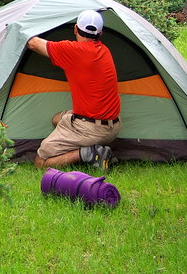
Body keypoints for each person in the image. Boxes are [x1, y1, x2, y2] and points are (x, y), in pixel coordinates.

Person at [26, 10, 120, 171]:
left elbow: (32, 43)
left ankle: (88, 153)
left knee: (40, 162)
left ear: (76, 29)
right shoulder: (104, 50)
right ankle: (97, 150)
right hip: (113, 125)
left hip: (91, 128)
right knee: (57, 119)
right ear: (100, 33)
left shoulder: (74, 51)